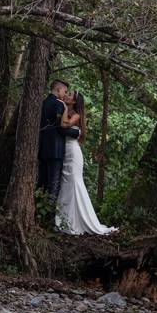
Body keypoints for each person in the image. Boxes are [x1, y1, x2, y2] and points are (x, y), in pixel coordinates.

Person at [56, 91, 117, 235]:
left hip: (73, 154)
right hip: (65, 152)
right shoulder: (67, 111)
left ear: (75, 102)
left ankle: (77, 221)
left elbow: (64, 125)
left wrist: (64, 108)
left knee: (74, 184)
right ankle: (64, 219)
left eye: (70, 95)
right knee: (66, 185)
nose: (66, 95)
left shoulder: (76, 115)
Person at [36, 80, 81, 226]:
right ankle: (49, 220)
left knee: (42, 182)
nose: (65, 94)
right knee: (54, 184)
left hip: (43, 149)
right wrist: (76, 132)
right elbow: (61, 127)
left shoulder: (43, 102)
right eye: (65, 91)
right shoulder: (58, 104)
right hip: (55, 149)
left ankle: (37, 214)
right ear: (58, 89)